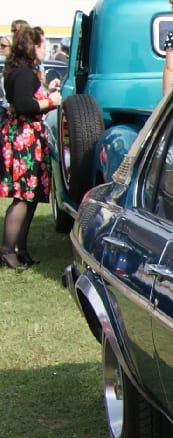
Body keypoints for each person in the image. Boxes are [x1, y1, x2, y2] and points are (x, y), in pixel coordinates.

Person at [2, 21, 58, 269]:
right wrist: (50, 101)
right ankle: (7, 250)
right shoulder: (23, 73)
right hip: (24, 141)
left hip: (29, 139)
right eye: (42, 45)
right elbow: (25, 105)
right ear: (32, 47)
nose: (44, 50)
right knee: (22, 197)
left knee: (31, 195)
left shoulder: (21, 71)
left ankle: (20, 248)